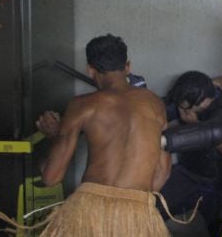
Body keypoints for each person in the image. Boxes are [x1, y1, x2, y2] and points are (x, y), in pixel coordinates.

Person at [35, 34, 171, 236]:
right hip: (137, 214)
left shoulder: (81, 105)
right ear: (127, 66)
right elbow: (162, 170)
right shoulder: (155, 104)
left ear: (90, 69)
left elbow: (51, 178)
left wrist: (52, 138)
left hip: (89, 211)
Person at [159, 70, 222, 235]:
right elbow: (161, 110)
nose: (182, 112)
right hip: (189, 173)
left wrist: (164, 141)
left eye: (186, 108)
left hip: (221, 182)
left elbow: (214, 131)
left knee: (220, 228)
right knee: (153, 205)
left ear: (206, 100)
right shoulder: (190, 99)